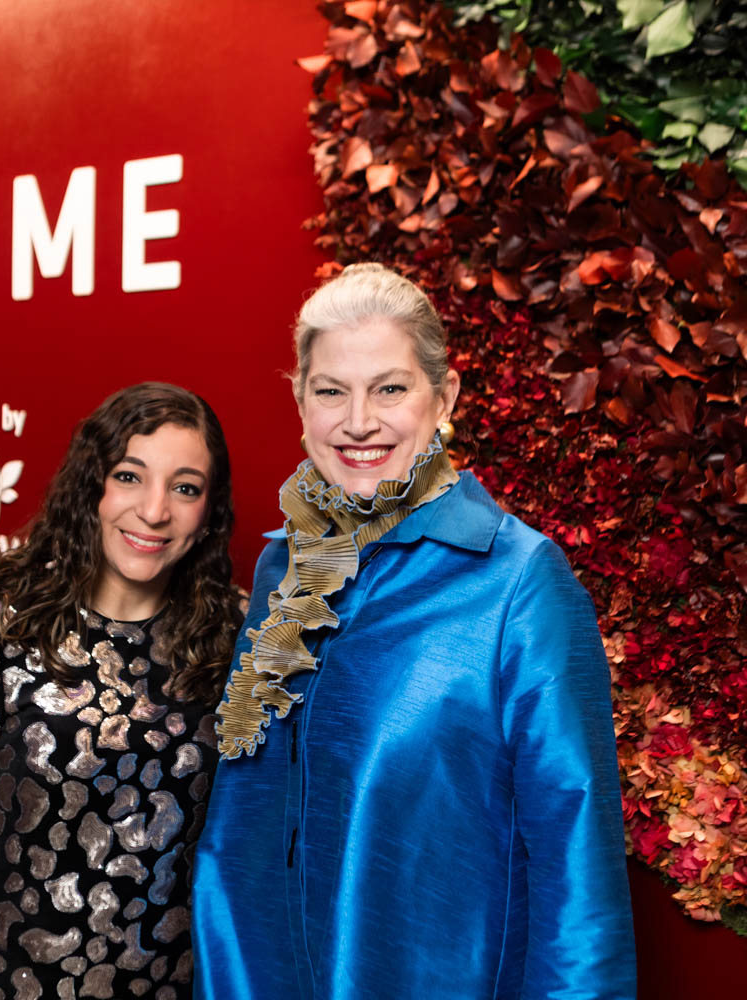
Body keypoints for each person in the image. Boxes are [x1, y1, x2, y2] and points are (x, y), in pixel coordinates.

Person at [192, 264, 636, 999]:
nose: (358, 421)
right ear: (300, 402)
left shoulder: (519, 581)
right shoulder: (283, 566)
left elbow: (577, 864)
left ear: (446, 397)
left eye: (390, 388)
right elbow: (243, 820)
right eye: (331, 390)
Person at [0, 382, 245, 1000]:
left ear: (209, 511)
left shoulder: (235, 641)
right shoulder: (5, 618)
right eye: (130, 476)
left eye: (185, 488)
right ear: (94, 486)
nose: (155, 510)